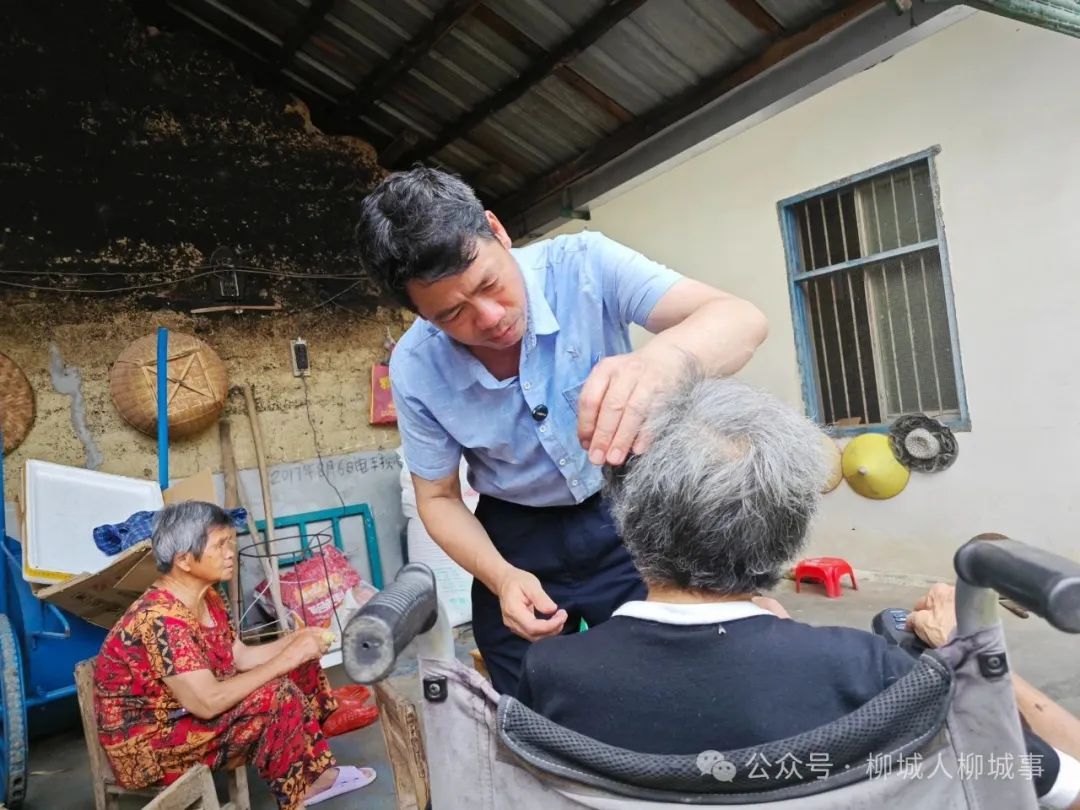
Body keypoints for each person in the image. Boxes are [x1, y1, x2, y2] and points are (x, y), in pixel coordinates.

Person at [516, 374, 1080, 809]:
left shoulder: (553, 673)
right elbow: (1056, 785)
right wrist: (968, 658)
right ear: (791, 529)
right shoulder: (865, 669)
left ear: (628, 518)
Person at [354, 167, 768, 693]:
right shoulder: (415, 367)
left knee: (679, 674)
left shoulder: (584, 265)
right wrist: (501, 577)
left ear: (497, 230)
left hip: (632, 509)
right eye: (453, 313)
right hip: (516, 537)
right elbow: (436, 497)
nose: (490, 318)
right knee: (529, 696)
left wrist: (662, 362)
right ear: (420, 314)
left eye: (489, 284)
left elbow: (740, 318)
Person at [93, 501, 376, 810]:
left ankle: (315, 764)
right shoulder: (159, 620)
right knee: (276, 694)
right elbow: (207, 702)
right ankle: (299, 790)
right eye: (220, 545)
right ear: (184, 559)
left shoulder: (208, 596)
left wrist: (295, 642)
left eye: (230, 541)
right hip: (152, 746)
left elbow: (238, 657)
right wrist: (286, 656)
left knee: (297, 661)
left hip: (185, 713)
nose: (230, 552)